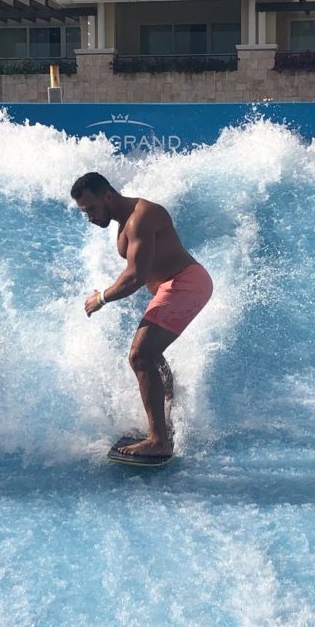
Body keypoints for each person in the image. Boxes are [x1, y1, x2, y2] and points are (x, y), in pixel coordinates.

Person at [71, 171, 213, 459]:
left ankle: (158, 440)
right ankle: (169, 416)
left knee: (140, 355)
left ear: (107, 196)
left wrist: (100, 298)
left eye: (91, 208)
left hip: (187, 283)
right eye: (84, 212)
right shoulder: (124, 221)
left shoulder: (142, 216)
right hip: (169, 287)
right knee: (150, 353)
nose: (89, 217)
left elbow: (136, 276)